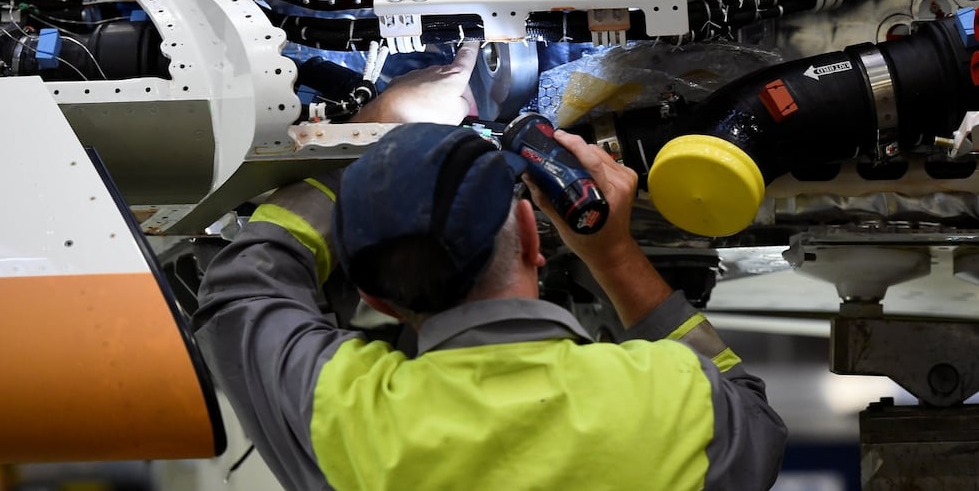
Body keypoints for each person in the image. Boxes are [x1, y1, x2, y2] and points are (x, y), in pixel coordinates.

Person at [192, 43, 787, 490]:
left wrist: (364, 143)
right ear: (532, 234)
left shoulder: (348, 417)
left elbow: (243, 293)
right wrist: (614, 254)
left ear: (372, 298)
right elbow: (752, 420)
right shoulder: (666, 398)